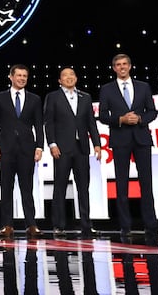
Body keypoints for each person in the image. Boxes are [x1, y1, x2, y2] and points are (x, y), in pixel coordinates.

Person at [97, 53, 158, 242]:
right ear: (114, 68)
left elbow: (152, 112)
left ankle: (151, 225)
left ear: (130, 66)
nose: (122, 67)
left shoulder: (143, 86)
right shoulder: (107, 89)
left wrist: (140, 118)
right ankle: (125, 227)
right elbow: (102, 115)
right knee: (121, 184)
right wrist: (120, 120)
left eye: (125, 64)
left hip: (141, 138)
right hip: (120, 139)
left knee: (146, 183)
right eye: (118, 64)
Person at [43, 67, 102, 239]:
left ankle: (86, 225)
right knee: (60, 187)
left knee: (84, 187)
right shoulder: (53, 97)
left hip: (82, 148)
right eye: (65, 75)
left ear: (76, 78)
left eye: (72, 74)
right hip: (61, 148)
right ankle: (59, 225)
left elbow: (91, 123)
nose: (69, 77)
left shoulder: (85, 97)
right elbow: (49, 123)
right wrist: (52, 144)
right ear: (59, 80)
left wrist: (97, 144)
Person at [0, 63, 44, 239]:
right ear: (11, 77)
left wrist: (39, 146)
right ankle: (7, 225)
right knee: (6, 187)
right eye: (18, 75)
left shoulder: (34, 99)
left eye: (24, 76)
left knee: (27, 188)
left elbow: (38, 125)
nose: (21, 79)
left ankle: (31, 225)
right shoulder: (0, 97)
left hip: (27, 149)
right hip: (6, 149)